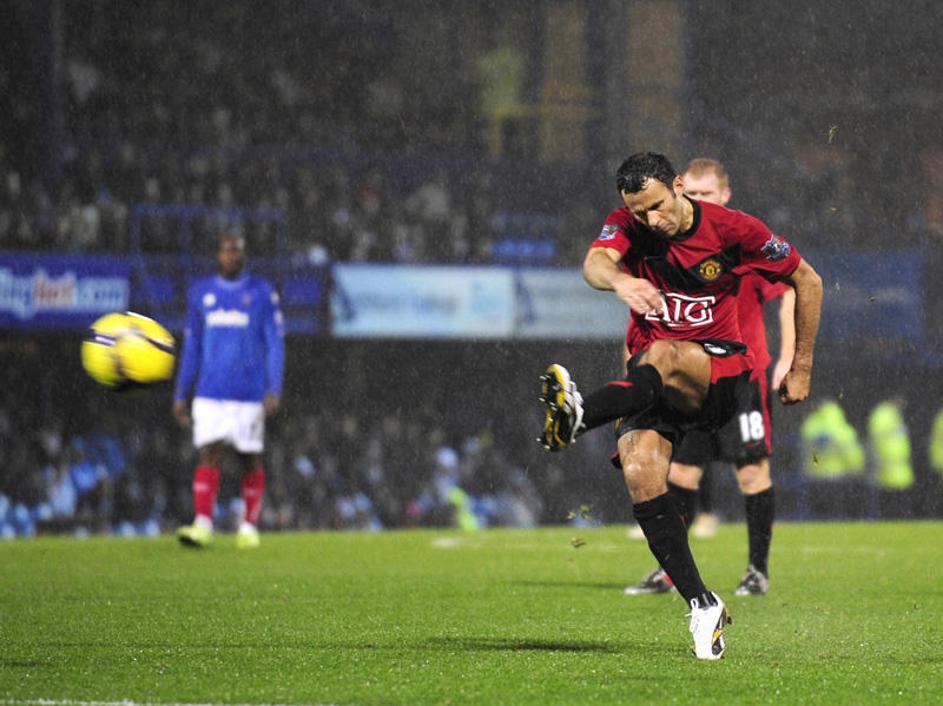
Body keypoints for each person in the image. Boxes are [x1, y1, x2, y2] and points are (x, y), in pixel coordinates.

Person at [538, 152, 823, 659]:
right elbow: (594, 263)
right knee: (642, 472)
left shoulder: (734, 230)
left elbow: (808, 280)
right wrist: (624, 282)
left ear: (678, 187)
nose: (650, 220)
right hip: (653, 380)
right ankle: (702, 603)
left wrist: (799, 366)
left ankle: (580, 416)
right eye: (639, 212)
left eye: (656, 207)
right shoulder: (629, 222)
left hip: (720, 373)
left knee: (667, 354)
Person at [625, 158, 795, 597]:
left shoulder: (739, 241)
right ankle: (669, 573)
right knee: (679, 474)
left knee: (753, 473)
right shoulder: (673, 248)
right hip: (693, 381)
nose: (698, 201)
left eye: (707, 194)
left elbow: (792, 287)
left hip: (742, 379)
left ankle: (757, 570)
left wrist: (788, 359)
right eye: (693, 193)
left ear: (725, 194)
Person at [173, 232, 285, 549]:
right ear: (218, 254)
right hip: (209, 390)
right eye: (226, 251)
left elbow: (275, 344)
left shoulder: (261, 293)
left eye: (237, 251)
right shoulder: (201, 294)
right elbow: (192, 345)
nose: (232, 256)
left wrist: (273, 387)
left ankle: (249, 526)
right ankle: (203, 524)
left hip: (249, 391)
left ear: (244, 255)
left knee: (250, 456)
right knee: (209, 452)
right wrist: (181, 392)